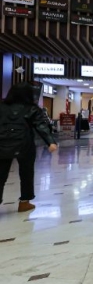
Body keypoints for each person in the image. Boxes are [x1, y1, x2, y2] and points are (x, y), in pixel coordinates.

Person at [0, 83, 58, 212]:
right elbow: (41, 126)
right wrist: (50, 142)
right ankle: (24, 203)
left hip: (2, 145)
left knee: (0, 175)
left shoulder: (2, 107)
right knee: (26, 174)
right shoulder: (32, 109)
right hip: (24, 145)